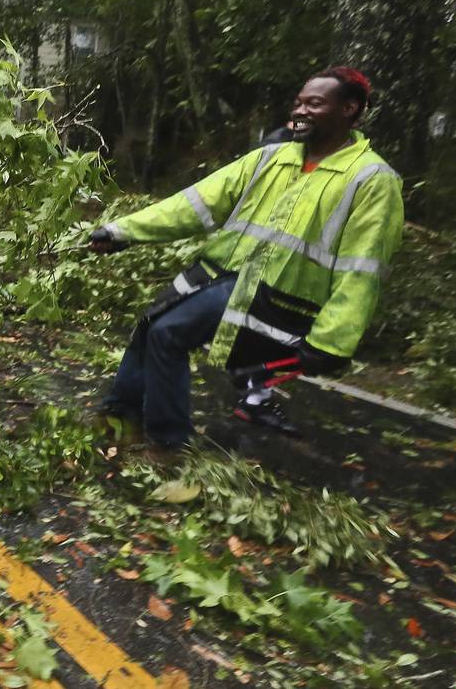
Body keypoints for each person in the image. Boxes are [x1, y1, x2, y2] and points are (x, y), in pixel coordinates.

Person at [89, 67, 403, 451]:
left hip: (279, 300)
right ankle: (121, 415)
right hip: (225, 277)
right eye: (299, 102)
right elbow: (195, 203)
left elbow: (363, 269)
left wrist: (333, 342)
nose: (300, 111)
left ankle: (169, 445)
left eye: (314, 103)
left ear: (349, 110)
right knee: (152, 326)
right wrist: (122, 232)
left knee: (167, 334)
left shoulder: (371, 179)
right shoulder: (271, 158)